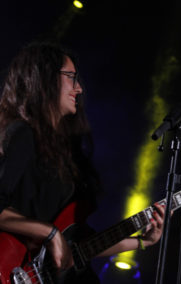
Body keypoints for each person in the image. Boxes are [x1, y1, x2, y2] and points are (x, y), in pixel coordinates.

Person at [0, 42, 165, 282]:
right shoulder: (22, 134)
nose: (78, 89)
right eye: (71, 77)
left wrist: (142, 241)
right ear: (45, 79)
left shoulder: (68, 150)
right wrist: (50, 234)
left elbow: (78, 248)